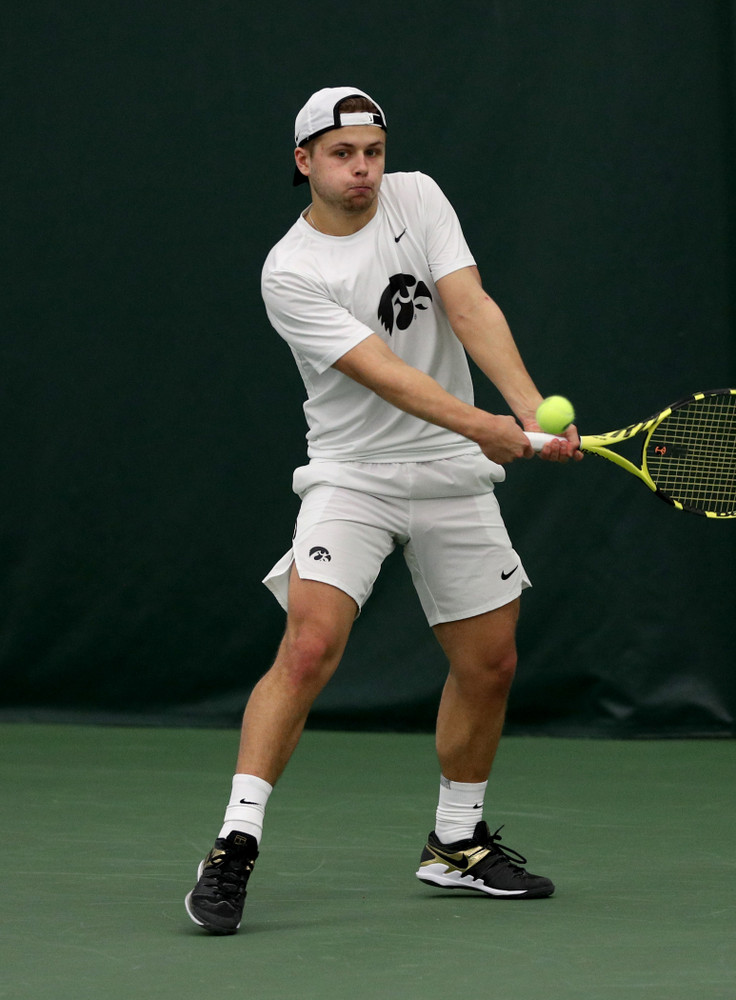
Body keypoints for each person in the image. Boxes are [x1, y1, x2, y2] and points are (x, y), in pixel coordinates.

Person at [185, 86, 581, 934]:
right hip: (352, 473)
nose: (362, 169)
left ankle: (455, 843)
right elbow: (385, 374)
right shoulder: (289, 271)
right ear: (304, 162)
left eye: (372, 151)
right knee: (308, 645)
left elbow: (469, 306)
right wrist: (490, 427)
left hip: (448, 467)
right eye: (341, 155)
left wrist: (530, 405)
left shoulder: (419, 195)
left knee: (492, 663)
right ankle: (233, 846)